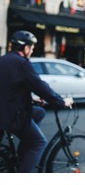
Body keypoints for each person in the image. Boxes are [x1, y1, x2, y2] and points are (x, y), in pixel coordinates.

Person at [0, 30, 73, 172]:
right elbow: (40, 86)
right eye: (32, 47)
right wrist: (61, 101)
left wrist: (32, 98)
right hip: (10, 115)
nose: (32, 51)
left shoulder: (3, 60)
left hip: (4, 110)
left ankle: (22, 152)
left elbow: (9, 87)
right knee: (38, 142)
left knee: (39, 112)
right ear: (26, 48)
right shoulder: (22, 63)